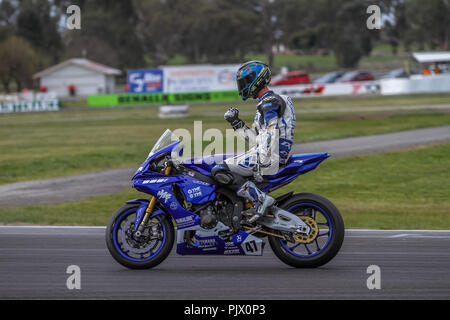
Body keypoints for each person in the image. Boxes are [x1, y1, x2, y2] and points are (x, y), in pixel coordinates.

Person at [211, 61, 296, 223]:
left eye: (244, 82)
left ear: (255, 80)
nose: (242, 86)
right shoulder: (268, 102)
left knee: (219, 170)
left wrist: (263, 162)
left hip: (270, 155)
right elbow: (256, 139)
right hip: (271, 152)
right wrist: (236, 122)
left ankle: (260, 200)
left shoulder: (269, 102)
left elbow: (272, 133)